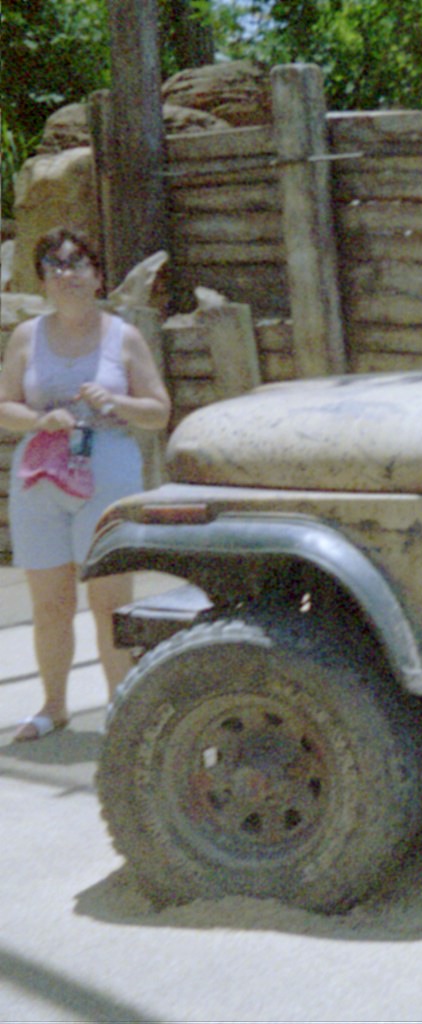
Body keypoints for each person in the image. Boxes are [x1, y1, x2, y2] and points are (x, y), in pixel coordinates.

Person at [0, 228, 171, 742]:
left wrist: (115, 403)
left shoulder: (125, 336)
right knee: (50, 603)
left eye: (77, 264)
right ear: (43, 280)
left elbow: (158, 412)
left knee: (108, 601)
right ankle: (54, 706)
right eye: (54, 266)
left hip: (106, 470)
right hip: (40, 474)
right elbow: (5, 407)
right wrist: (37, 421)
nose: (67, 274)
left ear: (98, 276)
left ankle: (122, 708)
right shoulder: (26, 336)